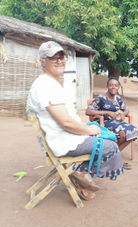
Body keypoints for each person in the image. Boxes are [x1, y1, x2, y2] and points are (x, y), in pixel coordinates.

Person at [27, 41, 123, 201]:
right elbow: (66, 123)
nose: (59, 61)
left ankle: (80, 174)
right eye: (53, 58)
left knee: (104, 135)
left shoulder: (48, 83)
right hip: (62, 141)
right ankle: (84, 177)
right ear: (42, 61)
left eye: (61, 57)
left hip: (61, 137)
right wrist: (90, 130)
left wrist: (86, 128)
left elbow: (66, 121)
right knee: (110, 145)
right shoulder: (46, 86)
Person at [86, 77, 138, 169]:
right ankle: (112, 157)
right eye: (110, 85)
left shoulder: (118, 98)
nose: (113, 87)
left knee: (133, 131)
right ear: (107, 86)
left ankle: (110, 156)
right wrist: (106, 112)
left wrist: (123, 114)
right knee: (122, 133)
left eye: (115, 85)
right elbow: (88, 111)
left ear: (118, 87)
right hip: (103, 121)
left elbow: (126, 109)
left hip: (115, 122)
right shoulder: (101, 98)